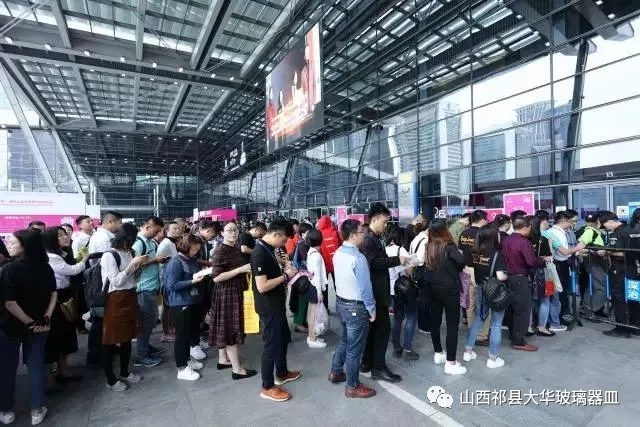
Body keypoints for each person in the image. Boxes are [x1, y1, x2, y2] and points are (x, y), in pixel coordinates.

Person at [0, 230, 56, 426]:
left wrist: (29, 322)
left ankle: (6, 410)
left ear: (24, 245)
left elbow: (10, 303)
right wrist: (45, 318)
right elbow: (53, 294)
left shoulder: (9, 269)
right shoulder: (45, 267)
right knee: (36, 367)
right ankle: (37, 410)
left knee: (7, 368)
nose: (8, 244)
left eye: (12, 242)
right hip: (39, 325)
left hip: (11, 326)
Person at [251, 219, 301, 402]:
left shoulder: (267, 248)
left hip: (277, 304)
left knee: (282, 338)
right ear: (277, 234)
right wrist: (286, 275)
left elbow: (272, 264)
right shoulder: (259, 253)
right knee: (271, 345)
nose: (283, 244)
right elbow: (262, 286)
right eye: (283, 240)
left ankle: (281, 372)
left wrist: (283, 263)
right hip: (268, 306)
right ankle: (267, 386)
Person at [329, 219, 376, 398]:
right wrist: (371, 308)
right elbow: (365, 288)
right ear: (354, 235)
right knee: (355, 349)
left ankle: (336, 371)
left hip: (341, 303)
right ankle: (352, 386)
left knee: (345, 340)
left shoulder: (338, 252)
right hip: (356, 307)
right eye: (362, 232)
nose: (364, 235)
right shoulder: (358, 258)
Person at [360, 203, 406, 383]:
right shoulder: (368, 240)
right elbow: (374, 263)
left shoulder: (375, 237)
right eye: (384, 222)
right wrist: (397, 260)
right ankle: (378, 367)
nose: (386, 225)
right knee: (382, 330)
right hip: (376, 293)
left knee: (373, 330)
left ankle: (367, 362)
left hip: (378, 291)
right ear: (375, 219)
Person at [100, 223, 146, 391]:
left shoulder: (130, 252)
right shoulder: (109, 255)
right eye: (129, 240)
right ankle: (110, 379)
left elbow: (134, 279)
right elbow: (116, 281)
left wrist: (139, 267)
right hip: (115, 299)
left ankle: (125, 371)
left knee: (127, 337)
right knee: (111, 340)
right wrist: (132, 265)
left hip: (130, 296)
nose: (130, 244)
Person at [209, 222, 257, 380]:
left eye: (235, 230)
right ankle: (237, 370)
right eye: (229, 230)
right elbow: (216, 277)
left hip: (235, 290)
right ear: (222, 232)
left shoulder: (234, 247)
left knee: (226, 328)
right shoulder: (221, 250)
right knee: (230, 329)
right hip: (227, 292)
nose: (233, 233)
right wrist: (240, 270)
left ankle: (223, 360)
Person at [41, 227, 88, 387]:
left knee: (65, 335)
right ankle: (50, 379)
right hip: (56, 299)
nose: (65, 237)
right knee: (56, 337)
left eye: (65, 234)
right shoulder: (52, 257)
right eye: (60, 235)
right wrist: (84, 259)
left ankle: (63, 371)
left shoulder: (61, 254)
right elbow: (73, 270)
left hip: (65, 296)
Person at [423, 220, 467, 375]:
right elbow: (461, 262)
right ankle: (451, 362)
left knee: (435, 322)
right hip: (449, 290)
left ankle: (438, 353)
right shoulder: (449, 246)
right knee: (452, 326)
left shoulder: (429, 246)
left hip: (433, 289)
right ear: (444, 230)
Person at [501, 216, 550, 351]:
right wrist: (542, 259)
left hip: (507, 278)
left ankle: (513, 334)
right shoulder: (524, 242)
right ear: (525, 228)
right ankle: (518, 341)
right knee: (522, 310)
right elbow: (531, 262)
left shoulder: (506, 240)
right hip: (520, 279)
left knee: (511, 309)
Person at [463, 227, 508, 369]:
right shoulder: (497, 254)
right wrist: (507, 275)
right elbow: (500, 276)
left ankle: (468, 351)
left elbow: (469, 269)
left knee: (478, 318)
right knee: (496, 324)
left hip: (481, 288)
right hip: (494, 291)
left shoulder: (475, 252)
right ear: (493, 237)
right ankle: (493, 358)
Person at [164, 234, 207, 381]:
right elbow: (172, 285)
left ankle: (187, 360)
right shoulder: (175, 262)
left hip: (192, 300)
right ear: (186, 247)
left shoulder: (191, 259)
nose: (195, 252)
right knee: (182, 336)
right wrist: (192, 281)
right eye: (193, 249)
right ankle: (181, 368)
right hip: (180, 303)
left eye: (197, 249)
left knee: (189, 333)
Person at [599, 211, 640, 338]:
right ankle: (635, 326)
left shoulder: (617, 233)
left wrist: (605, 252)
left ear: (610, 221)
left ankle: (622, 329)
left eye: (604, 225)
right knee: (633, 296)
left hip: (620, 268)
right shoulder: (632, 230)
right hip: (633, 267)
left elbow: (618, 251)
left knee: (619, 297)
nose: (605, 228)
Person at [544, 211, 585, 326]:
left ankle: (551, 319)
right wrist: (578, 248)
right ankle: (557, 319)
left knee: (552, 293)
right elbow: (564, 253)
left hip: (552, 265)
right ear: (564, 221)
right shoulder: (558, 233)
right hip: (558, 266)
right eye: (571, 221)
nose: (573, 224)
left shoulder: (551, 231)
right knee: (558, 293)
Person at [386, 227, 418, 360]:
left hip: (390, 289)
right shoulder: (401, 250)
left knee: (397, 318)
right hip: (403, 288)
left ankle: (396, 348)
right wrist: (413, 264)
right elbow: (408, 271)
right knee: (411, 316)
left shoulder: (384, 249)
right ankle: (407, 349)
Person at [577, 213, 607, 318]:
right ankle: (590, 309)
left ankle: (589, 308)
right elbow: (579, 247)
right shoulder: (590, 231)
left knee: (593, 287)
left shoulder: (597, 231)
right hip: (593, 261)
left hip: (597, 262)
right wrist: (594, 251)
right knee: (601, 287)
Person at [157, 222, 181, 343]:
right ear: (167, 230)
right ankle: (165, 333)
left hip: (172, 279)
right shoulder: (165, 244)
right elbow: (160, 264)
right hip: (166, 280)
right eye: (175, 228)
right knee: (166, 307)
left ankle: (171, 329)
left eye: (178, 228)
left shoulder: (173, 243)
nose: (178, 230)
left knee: (171, 306)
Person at [305, 228, 328, 349]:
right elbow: (318, 276)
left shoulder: (310, 252)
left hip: (311, 285)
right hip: (315, 286)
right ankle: (312, 339)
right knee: (313, 314)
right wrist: (319, 292)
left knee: (311, 312)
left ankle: (311, 336)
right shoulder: (317, 256)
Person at [318, 215, 341, 310]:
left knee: (325, 287)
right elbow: (340, 245)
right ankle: (341, 307)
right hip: (336, 264)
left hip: (324, 265)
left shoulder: (319, 234)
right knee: (338, 286)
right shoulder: (335, 232)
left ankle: (325, 308)